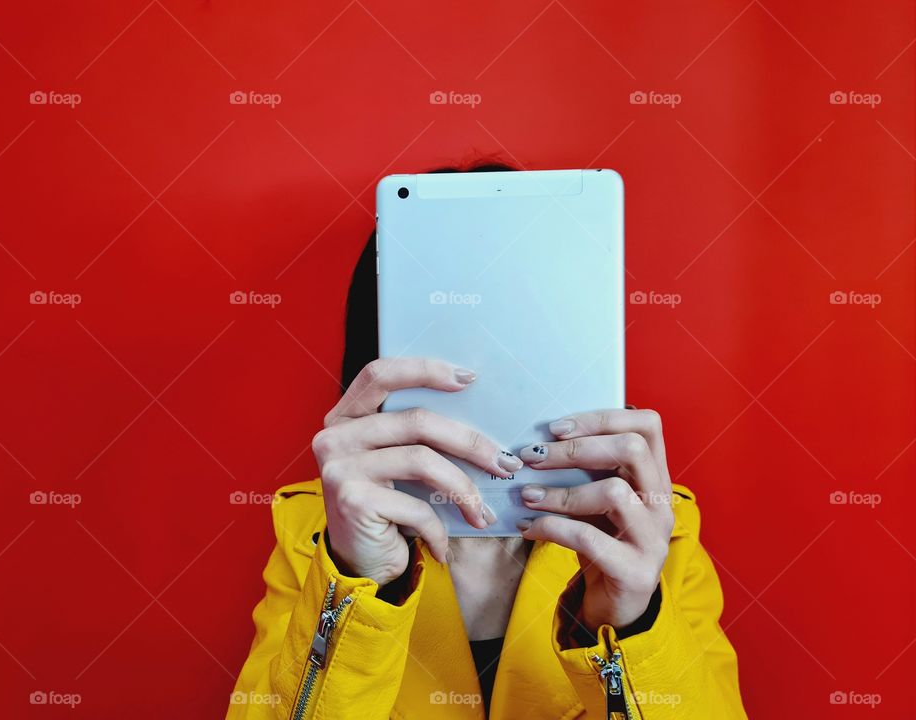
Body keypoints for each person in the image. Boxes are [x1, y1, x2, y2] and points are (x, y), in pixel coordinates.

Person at [227, 163, 747, 719]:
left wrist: (629, 623)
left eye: (526, 316)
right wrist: (356, 583)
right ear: (379, 344)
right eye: (452, 311)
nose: (493, 358)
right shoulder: (320, 534)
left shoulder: (651, 528)